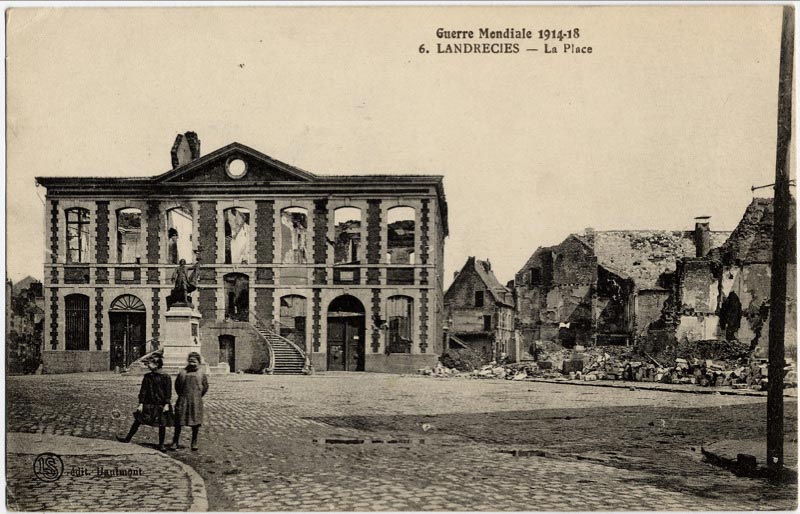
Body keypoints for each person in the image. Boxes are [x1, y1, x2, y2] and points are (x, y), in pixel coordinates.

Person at [117, 355, 173, 451]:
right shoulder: (147, 376)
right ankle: (127, 438)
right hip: (148, 403)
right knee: (138, 420)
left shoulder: (165, 377)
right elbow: (143, 391)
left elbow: (168, 392)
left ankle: (161, 444)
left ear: (157, 364)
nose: (148, 365)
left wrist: (166, 404)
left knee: (162, 424)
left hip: (160, 404)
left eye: (150, 363)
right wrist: (141, 403)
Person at [172, 352, 209, 451]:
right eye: (190, 361)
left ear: (198, 362)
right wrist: (183, 395)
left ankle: (194, 442)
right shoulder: (182, 372)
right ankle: (175, 441)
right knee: (179, 421)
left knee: (196, 422)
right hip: (183, 400)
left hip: (196, 401)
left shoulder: (201, 373)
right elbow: (177, 386)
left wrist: (198, 396)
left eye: (194, 361)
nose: (192, 363)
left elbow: (205, 386)